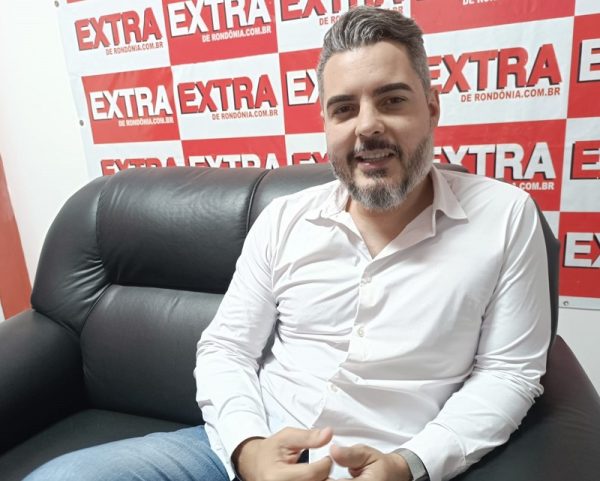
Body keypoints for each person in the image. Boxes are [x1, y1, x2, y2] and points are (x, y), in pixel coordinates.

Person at [24, 6, 550, 481]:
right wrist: (248, 449)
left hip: (385, 465)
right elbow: (226, 348)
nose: (367, 126)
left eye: (392, 100)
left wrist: (411, 465)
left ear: (431, 109)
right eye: (344, 109)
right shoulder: (285, 219)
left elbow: (509, 374)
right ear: (326, 123)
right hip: (236, 453)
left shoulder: (505, 217)